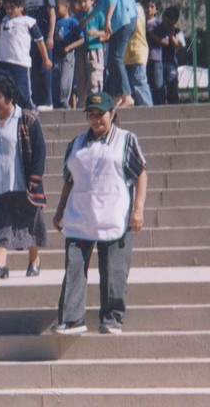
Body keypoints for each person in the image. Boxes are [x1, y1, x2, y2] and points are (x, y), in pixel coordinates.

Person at [51, 91, 147, 335]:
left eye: (101, 114)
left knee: (114, 270)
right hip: (80, 214)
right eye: (91, 115)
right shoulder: (75, 143)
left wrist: (138, 210)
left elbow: (141, 175)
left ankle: (112, 318)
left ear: (112, 113)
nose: (96, 120)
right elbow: (69, 180)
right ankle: (72, 319)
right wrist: (59, 210)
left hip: (116, 214)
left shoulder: (126, 140)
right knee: (74, 267)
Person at [0, 76, 48, 279]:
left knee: (29, 223)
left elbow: (39, 151)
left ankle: (34, 260)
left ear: (10, 97)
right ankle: (0, 264)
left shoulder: (27, 119)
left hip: (22, 181)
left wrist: (35, 177)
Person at [83, 0, 138, 108]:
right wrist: (88, 18)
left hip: (123, 20)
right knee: (113, 59)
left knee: (115, 58)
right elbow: (101, 2)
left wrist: (107, 20)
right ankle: (119, 95)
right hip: (125, 20)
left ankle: (127, 95)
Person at [0, 0, 52, 110]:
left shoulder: (28, 22)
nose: (9, 10)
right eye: (6, 7)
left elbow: (39, 41)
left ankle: (30, 116)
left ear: (21, 7)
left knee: (23, 93)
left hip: (20, 64)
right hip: (3, 63)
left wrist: (45, 59)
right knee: (1, 90)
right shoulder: (4, 19)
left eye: (12, 7)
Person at [16, 0, 56, 111]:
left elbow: (52, 15)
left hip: (44, 38)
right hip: (30, 40)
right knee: (34, 71)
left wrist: (50, 36)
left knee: (45, 68)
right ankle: (38, 100)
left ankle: (48, 101)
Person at [73, 0, 108, 108]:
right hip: (80, 52)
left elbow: (107, 33)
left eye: (85, 1)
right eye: (79, 2)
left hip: (94, 51)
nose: (82, 4)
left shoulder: (98, 14)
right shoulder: (77, 17)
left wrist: (96, 33)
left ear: (92, 0)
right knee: (81, 83)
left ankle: (96, 107)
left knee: (94, 80)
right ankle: (82, 109)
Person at [124, 0, 153, 106]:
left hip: (137, 52)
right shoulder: (134, 8)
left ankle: (148, 109)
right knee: (132, 84)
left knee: (139, 83)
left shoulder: (135, 9)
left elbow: (129, 27)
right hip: (129, 53)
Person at [52, 0, 83, 109]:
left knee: (65, 80)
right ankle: (56, 102)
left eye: (58, 7)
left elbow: (81, 39)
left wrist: (70, 47)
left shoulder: (72, 22)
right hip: (56, 54)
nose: (55, 10)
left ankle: (64, 101)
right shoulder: (56, 21)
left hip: (67, 55)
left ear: (66, 7)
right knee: (55, 78)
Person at [160, 6, 186, 104]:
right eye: (166, 17)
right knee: (159, 87)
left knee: (172, 87)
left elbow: (180, 45)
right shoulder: (159, 30)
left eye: (171, 18)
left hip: (171, 62)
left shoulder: (177, 31)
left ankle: (174, 105)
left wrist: (171, 35)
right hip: (160, 61)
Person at [144, 0, 164, 105]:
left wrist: (153, 35)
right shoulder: (141, 22)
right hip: (144, 60)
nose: (149, 9)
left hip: (156, 59)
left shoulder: (159, 23)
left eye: (152, 7)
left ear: (156, 9)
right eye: (147, 7)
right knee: (148, 85)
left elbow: (165, 41)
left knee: (158, 86)